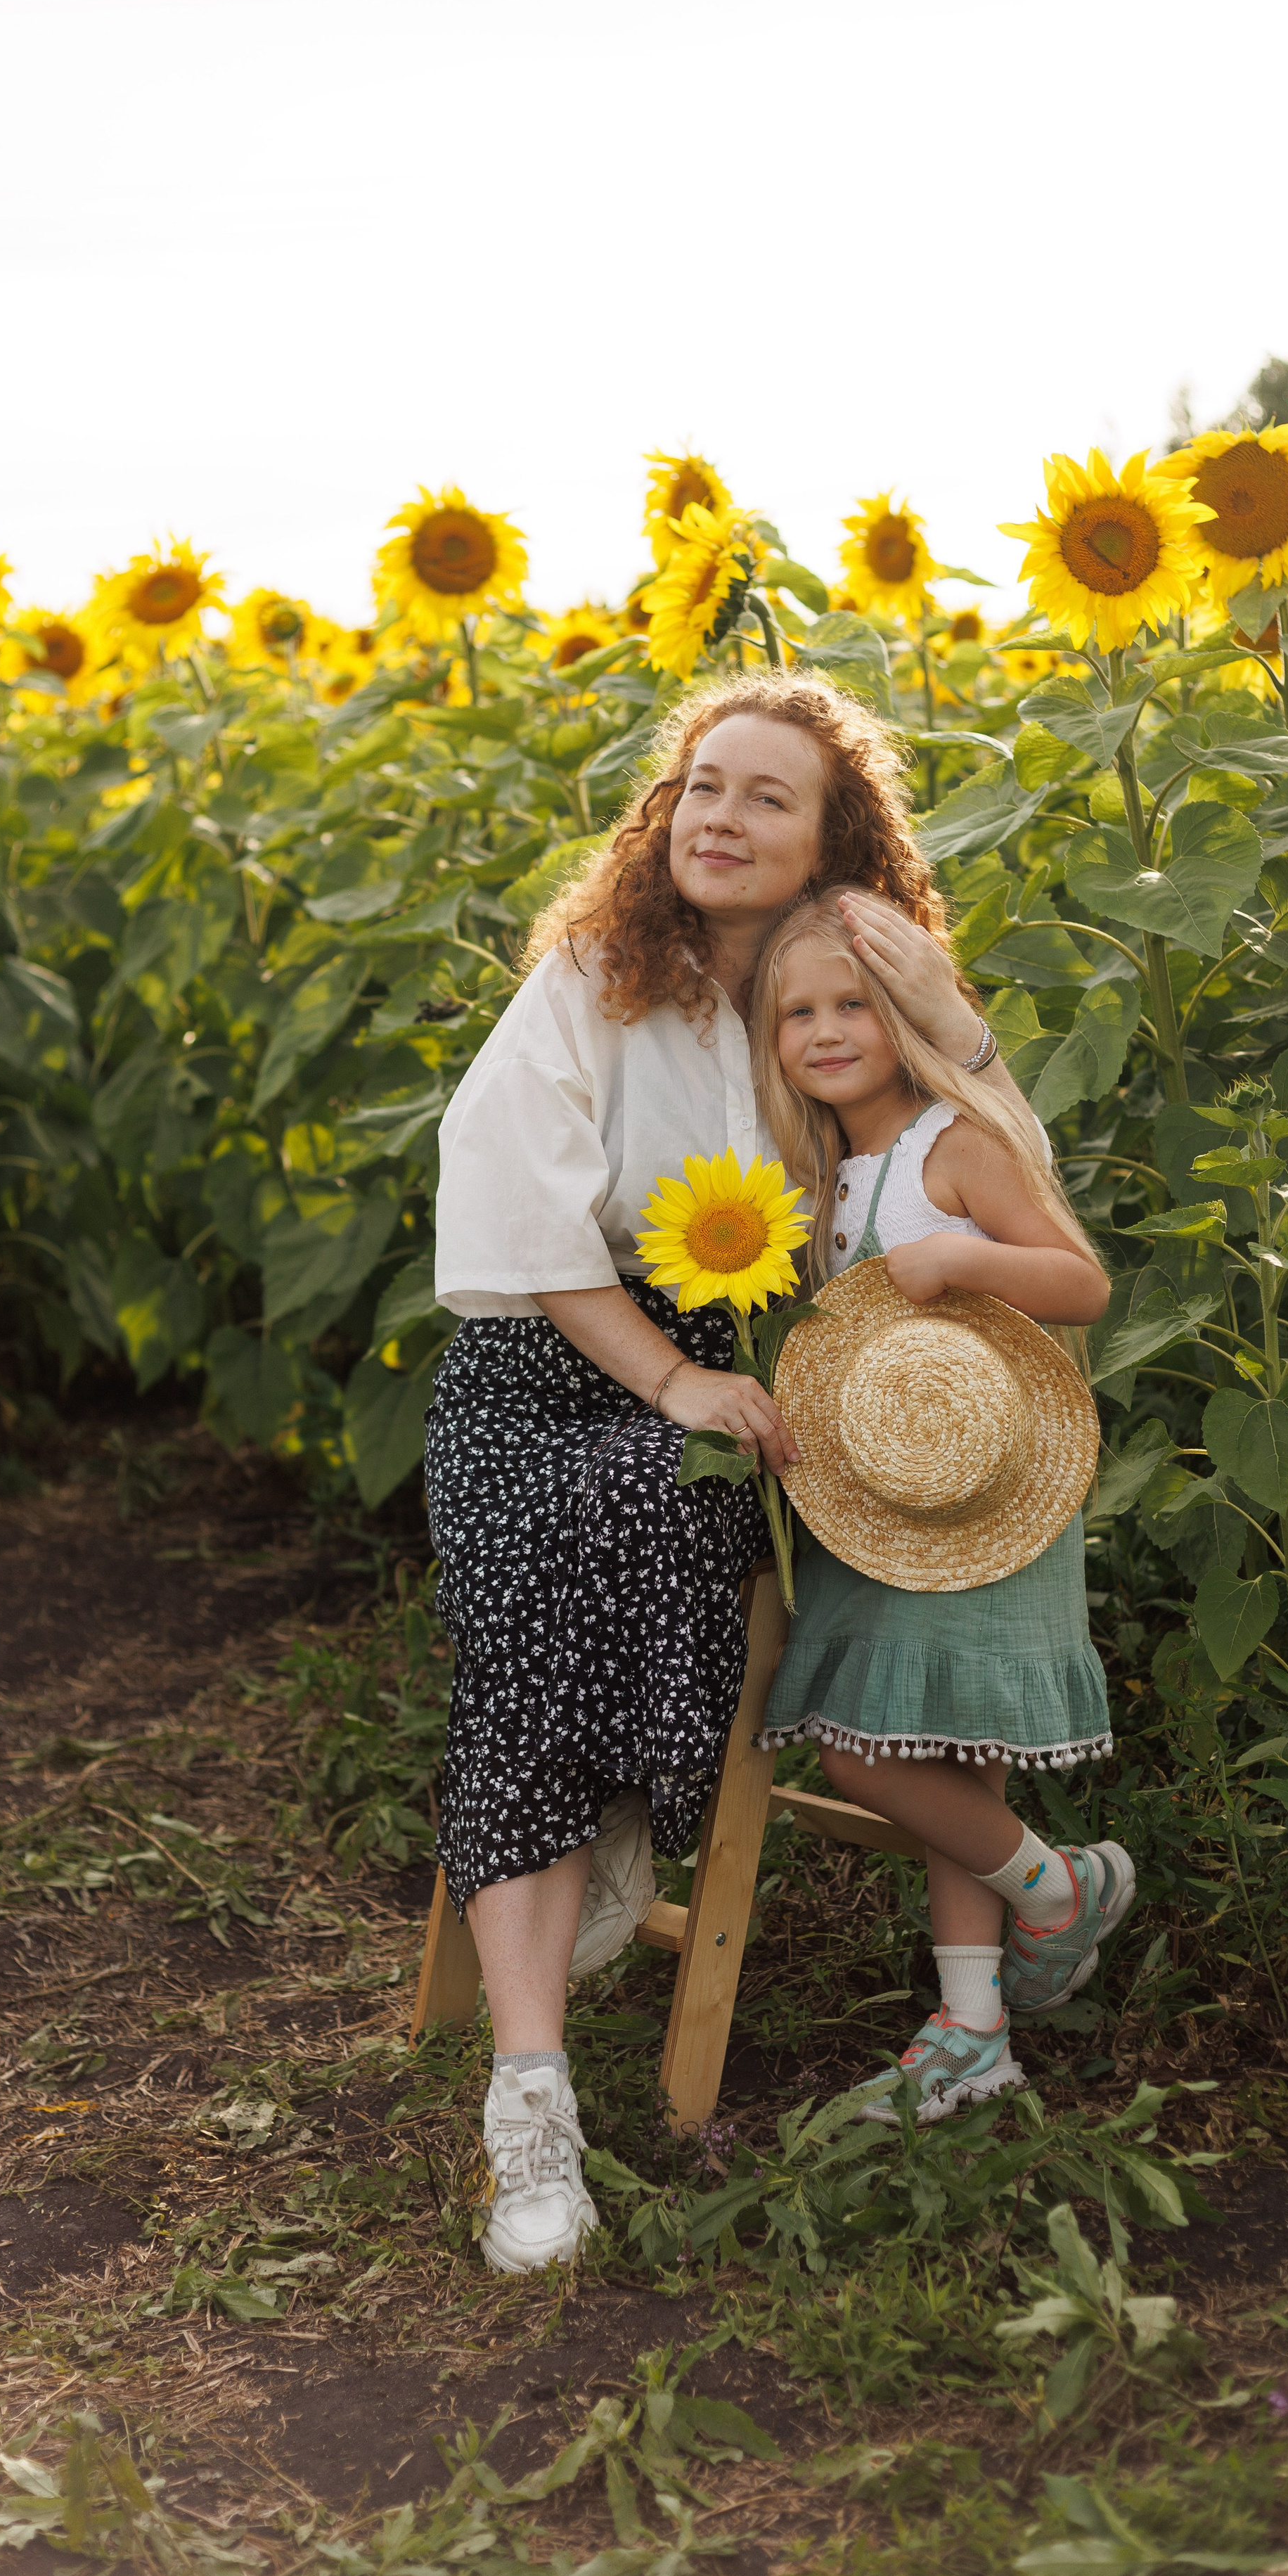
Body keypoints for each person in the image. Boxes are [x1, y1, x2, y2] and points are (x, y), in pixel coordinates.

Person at [427, 672, 1022, 2271]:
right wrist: (677, 1375)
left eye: (766, 795)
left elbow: (1005, 1194)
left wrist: (949, 1027)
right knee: (594, 1509)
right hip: (546, 1376)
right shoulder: (590, 980)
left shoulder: (847, 1002)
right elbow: (528, 1233)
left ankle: (529, 2074)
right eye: (698, 786)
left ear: (836, 842)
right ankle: (531, 2096)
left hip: (768, 1388)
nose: (716, 816)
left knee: (607, 1545)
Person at [749, 888, 1132, 2124]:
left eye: (852, 1002)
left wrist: (964, 1257)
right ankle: (975, 2031)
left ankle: (1054, 1889)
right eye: (796, 1012)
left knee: (865, 1750)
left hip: (985, 1492)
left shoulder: (954, 1142)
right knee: (936, 1754)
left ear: (902, 1011)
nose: (825, 1029)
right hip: (880, 1503)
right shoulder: (819, 1180)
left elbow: (1080, 1281)